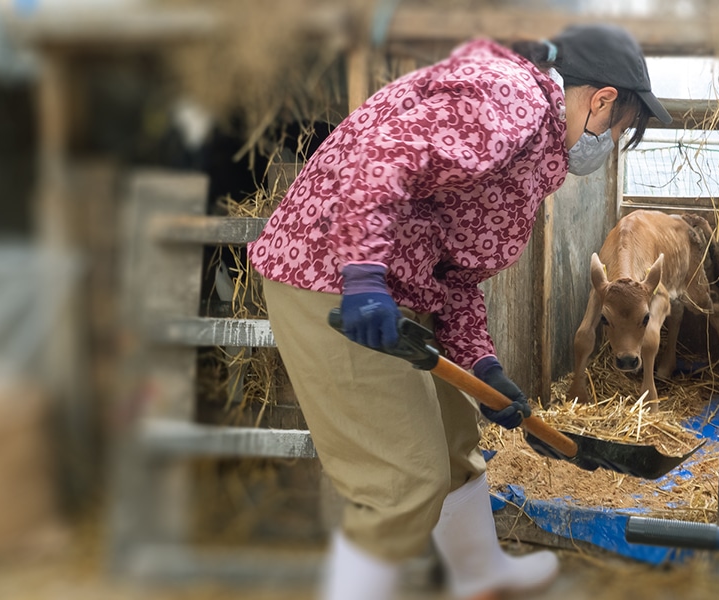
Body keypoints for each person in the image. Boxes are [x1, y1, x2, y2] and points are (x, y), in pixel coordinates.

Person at [248, 23, 671, 600]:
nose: (608, 142)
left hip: (400, 286)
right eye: (616, 129)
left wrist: (485, 367)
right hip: (334, 279)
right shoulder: (512, 97)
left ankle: (479, 574)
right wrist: (365, 276)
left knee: (454, 442)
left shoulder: (531, 147)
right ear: (601, 100)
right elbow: (383, 157)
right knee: (401, 482)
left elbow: (457, 273)